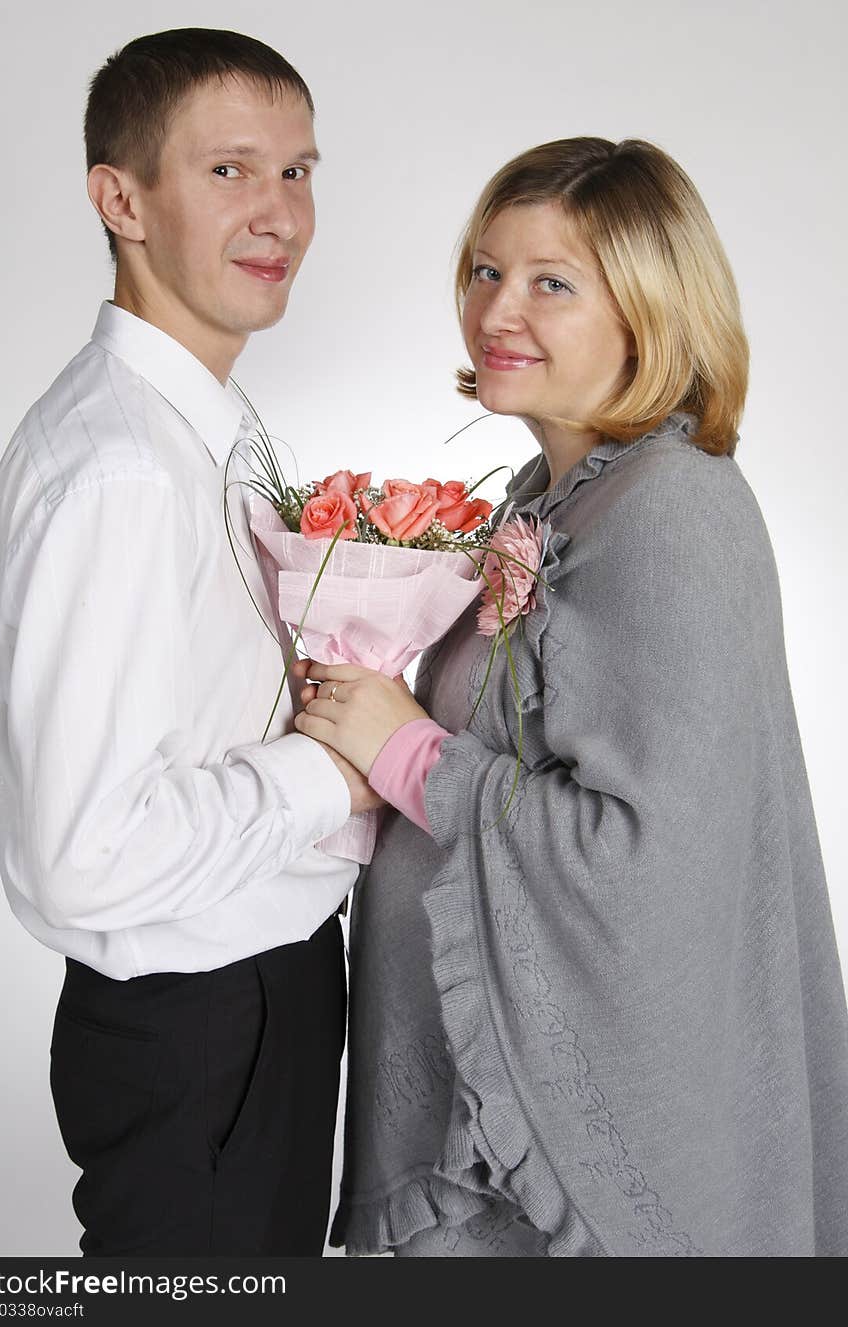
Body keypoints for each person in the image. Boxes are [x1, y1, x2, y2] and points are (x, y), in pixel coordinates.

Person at [294, 137, 848, 1256]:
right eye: (485, 271)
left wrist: (407, 754)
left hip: (526, 1174)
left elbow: (650, 854)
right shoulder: (547, 498)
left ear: (648, 309)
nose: (499, 308)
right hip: (471, 1113)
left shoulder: (670, 513)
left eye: (553, 282)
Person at [0, 28, 381, 1256]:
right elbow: (80, 853)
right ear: (120, 198)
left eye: (299, 172)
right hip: (203, 1021)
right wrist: (330, 772)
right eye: (230, 172)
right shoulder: (121, 471)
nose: (280, 215)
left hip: (248, 1003)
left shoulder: (198, 424)